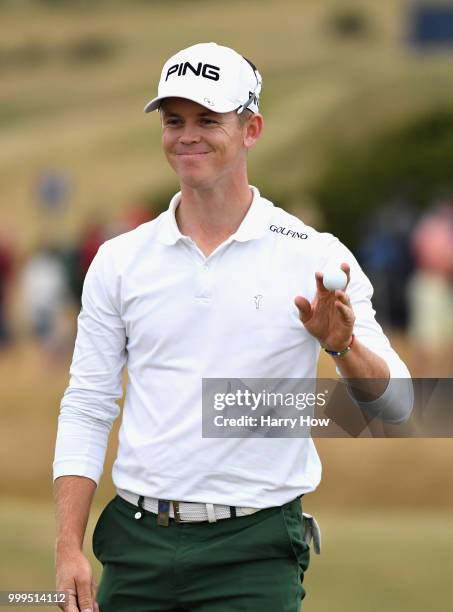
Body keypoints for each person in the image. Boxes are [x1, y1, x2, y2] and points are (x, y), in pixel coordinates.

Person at [53, 42, 413, 612]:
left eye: (207, 120)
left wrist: (341, 347)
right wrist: (68, 546)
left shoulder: (316, 257)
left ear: (251, 129)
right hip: (136, 540)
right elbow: (88, 404)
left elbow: (397, 407)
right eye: (174, 121)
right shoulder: (120, 260)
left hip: (255, 549)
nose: (187, 135)